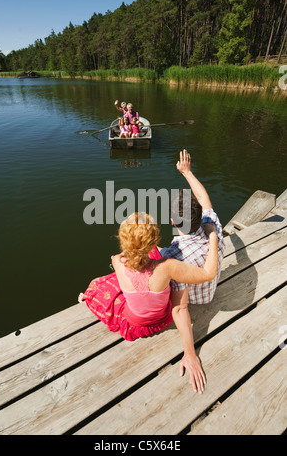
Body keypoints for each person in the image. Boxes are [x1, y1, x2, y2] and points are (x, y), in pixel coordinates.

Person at [78, 211, 219, 395]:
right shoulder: (168, 266)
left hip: (133, 324)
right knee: (153, 258)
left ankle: (84, 297)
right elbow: (208, 274)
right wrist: (213, 235)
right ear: (153, 240)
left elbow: (129, 255)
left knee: (98, 285)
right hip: (162, 318)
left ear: (123, 242)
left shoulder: (117, 261)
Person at [160, 149, 225, 393]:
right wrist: (187, 172)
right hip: (211, 288)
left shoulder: (174, 257)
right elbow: (205, 201)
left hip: (196, 298)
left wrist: (190, 353)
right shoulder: (212, 226)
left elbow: (180, 308)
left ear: (173, 222)